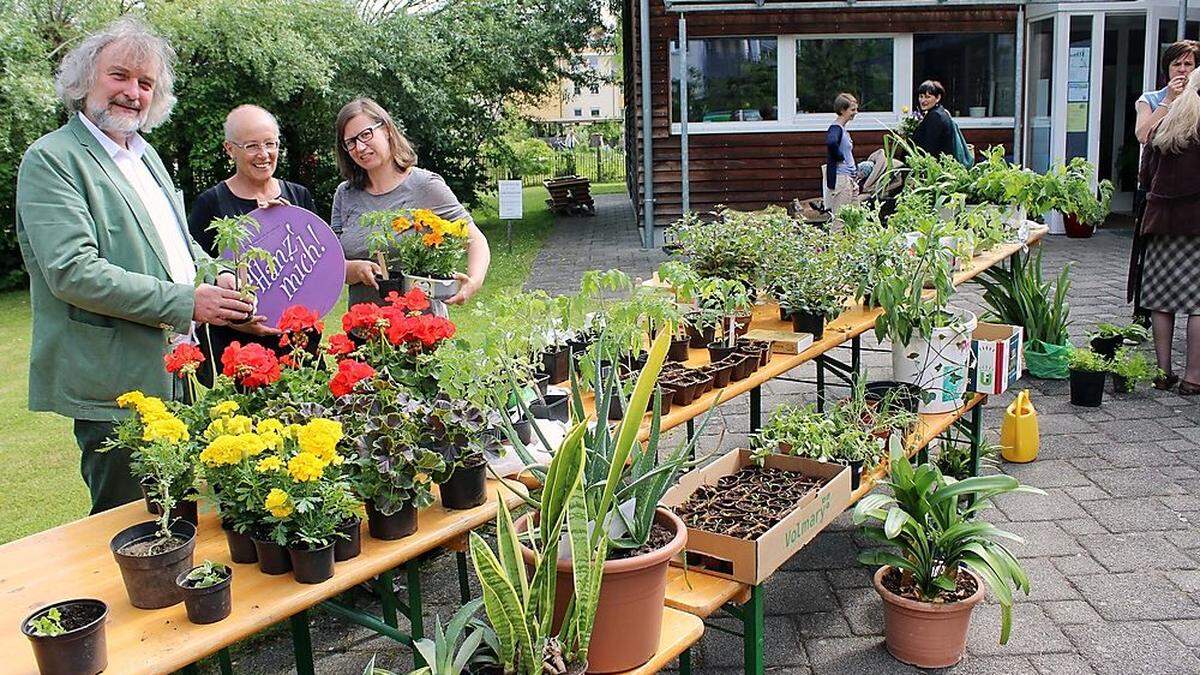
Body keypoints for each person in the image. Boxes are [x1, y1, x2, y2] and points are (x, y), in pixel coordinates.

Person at [14, 19, 261, 513]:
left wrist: (215, 272)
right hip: (114, 382)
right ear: (85, 81)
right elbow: (73, 271)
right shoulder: (52, 159)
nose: (133, 93)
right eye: (120, 76)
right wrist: (188, 301)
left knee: (185, 510)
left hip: (175, 368)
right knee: (131, 523)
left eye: (146, 84)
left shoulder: (144, 155)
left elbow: (175, 245)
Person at [188, 105, 324, 383]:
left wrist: (290, 224)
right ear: (230, 149)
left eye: (270, 144)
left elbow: (320, 268)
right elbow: (194, 274)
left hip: (299, 344)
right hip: (240, 350)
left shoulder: (298, 196)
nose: (264, 155)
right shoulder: (211, 203)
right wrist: (236, 320)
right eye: (251, 146)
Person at [331, 97, 491, 308]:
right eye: (350, 142)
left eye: (366, 134)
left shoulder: (425, 185)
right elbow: (331, 263)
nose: (360, 147)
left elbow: (475, 240)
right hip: (365, 330)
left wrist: (473, 282)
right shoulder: (345, 194)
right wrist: (354, 269)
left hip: (421, 329)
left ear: (387, 130)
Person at [1128, 40, 1200, 326]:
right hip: (1159, 196)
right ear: (1166, 69)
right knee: (1158, 289)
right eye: (1176, 64)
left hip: (1192, 201)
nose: (1182, 70)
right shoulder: (1152, 98)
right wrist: (1169, 101)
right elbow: (1144, 134)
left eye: (1188, 64)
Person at [1137, 67, 1200, 393]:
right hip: (1196, 225)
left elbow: (1144, 178)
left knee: (1161, 300)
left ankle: (1163, 372)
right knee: (1197, 305)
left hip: (1160, 221)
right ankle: (1193, 377)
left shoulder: (1163, 126)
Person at [824, 93, 859, 217]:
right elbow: (831, 142)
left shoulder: (843, 129)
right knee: (840, 220)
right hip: (842, 179)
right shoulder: (836, 128)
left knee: (855, 219)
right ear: (842, 110)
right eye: (852, 110)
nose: (856, 112)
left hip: (850, 179)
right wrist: (840, 157)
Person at [912, 80, 956, 158]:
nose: (923, 100)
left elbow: (929, 147)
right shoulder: (939, 112)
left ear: (938, 97)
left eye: (927, 97)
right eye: (921, 96)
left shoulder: (935, 116)